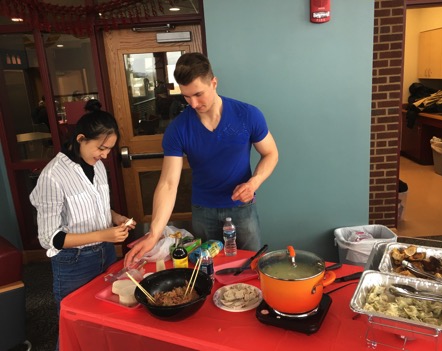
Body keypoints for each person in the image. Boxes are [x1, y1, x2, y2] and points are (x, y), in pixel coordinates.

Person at [124, 52, 278, 267]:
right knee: (205, 268)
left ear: (213, 83)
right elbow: (168, 183)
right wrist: (154, 233)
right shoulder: (178, 129)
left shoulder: (248, 115)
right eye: (186, 96)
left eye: (198, 94)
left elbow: (271, 153)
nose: (193, 103)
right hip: (203, 210)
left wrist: (254, 183)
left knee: (251, 266)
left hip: (242, 208)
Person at [30, 109, 135, 323]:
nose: (105, 155)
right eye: (101, 148)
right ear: (81, 139)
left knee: (105, 318)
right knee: (75, 322)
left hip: (105, 253)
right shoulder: (52, 176)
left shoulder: (97, 166)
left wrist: (115, 217)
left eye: (109, 149)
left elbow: (96, 207)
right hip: (74, 262)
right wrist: (103, 235)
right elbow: (50, 238)